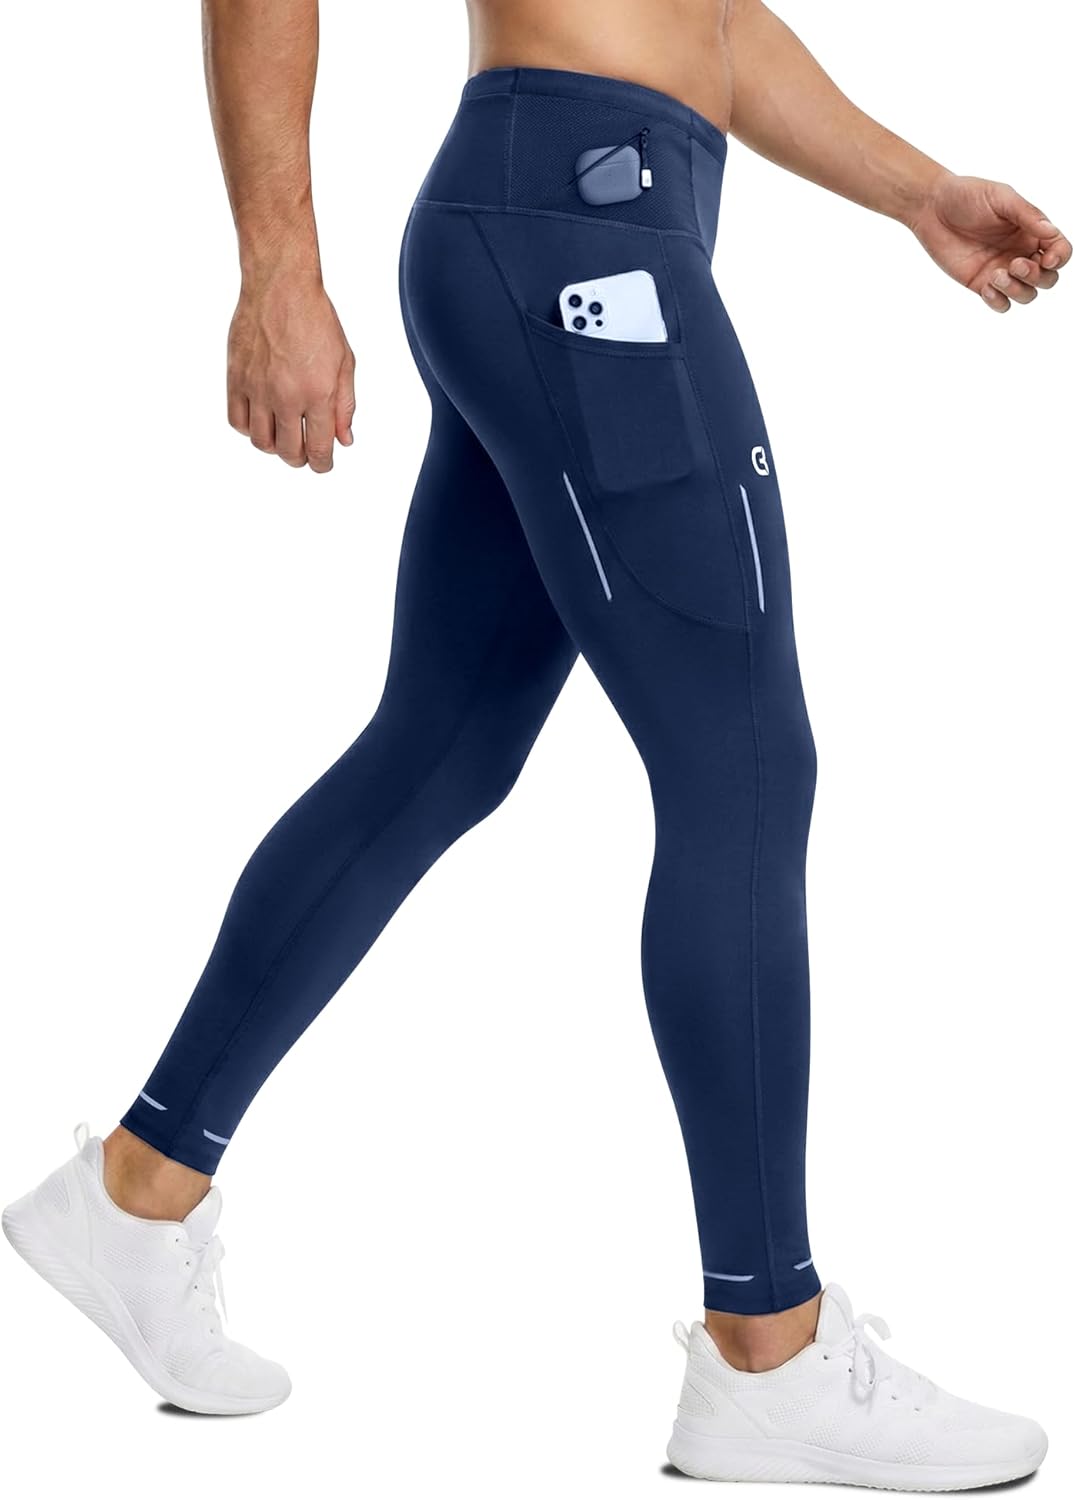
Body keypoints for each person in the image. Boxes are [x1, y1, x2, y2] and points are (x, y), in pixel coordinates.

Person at [3, 0, 1066, 1483]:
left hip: (582, 220)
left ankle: (136, 1190)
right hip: (581, 229)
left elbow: (703, 16)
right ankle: (768, 1345)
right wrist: (278, 266)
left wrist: (917, 191)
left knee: (443, 747)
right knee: (745, 765)